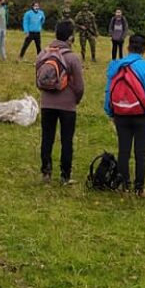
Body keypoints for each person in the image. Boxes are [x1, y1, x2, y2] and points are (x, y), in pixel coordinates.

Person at [104, 35, 145, 196]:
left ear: (128, 47)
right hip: (143, 115)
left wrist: (110, 112)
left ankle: (125, 186)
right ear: (144, 49)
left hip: (120, 114)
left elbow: (109, 91)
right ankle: (139, 188)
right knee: (141, 152)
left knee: (123, 151)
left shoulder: (115, 66)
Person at [37, 21, 84, 184]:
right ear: (70, 37)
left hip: (46, 103)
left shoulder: (43, 54)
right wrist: (75, 100)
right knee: (66, 140)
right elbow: (79, 86)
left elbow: (39, 80)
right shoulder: (72, 58)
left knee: (46, 138)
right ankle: (65, 175)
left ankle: (46, 172)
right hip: (67, 105)